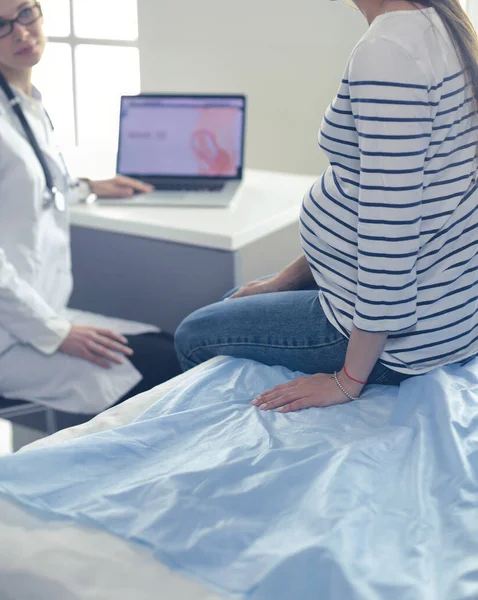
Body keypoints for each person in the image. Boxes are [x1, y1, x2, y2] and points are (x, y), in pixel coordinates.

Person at [175, 0, 478, 413]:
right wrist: (281, 281)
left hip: (402, 340)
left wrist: (349, 380)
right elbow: (379, 201)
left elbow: (390, 230)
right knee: (236, 298)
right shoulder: (440, 26)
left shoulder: (389, 52)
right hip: (437, 308)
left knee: (193, 334)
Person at [0, 0, 180, 417]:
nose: (21, 32)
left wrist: (87, 186)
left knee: (172, 346)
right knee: (158, 374)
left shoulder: (23, 104)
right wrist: (54, 332)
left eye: (26, 13)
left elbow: (30, 184)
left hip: (32, 319)